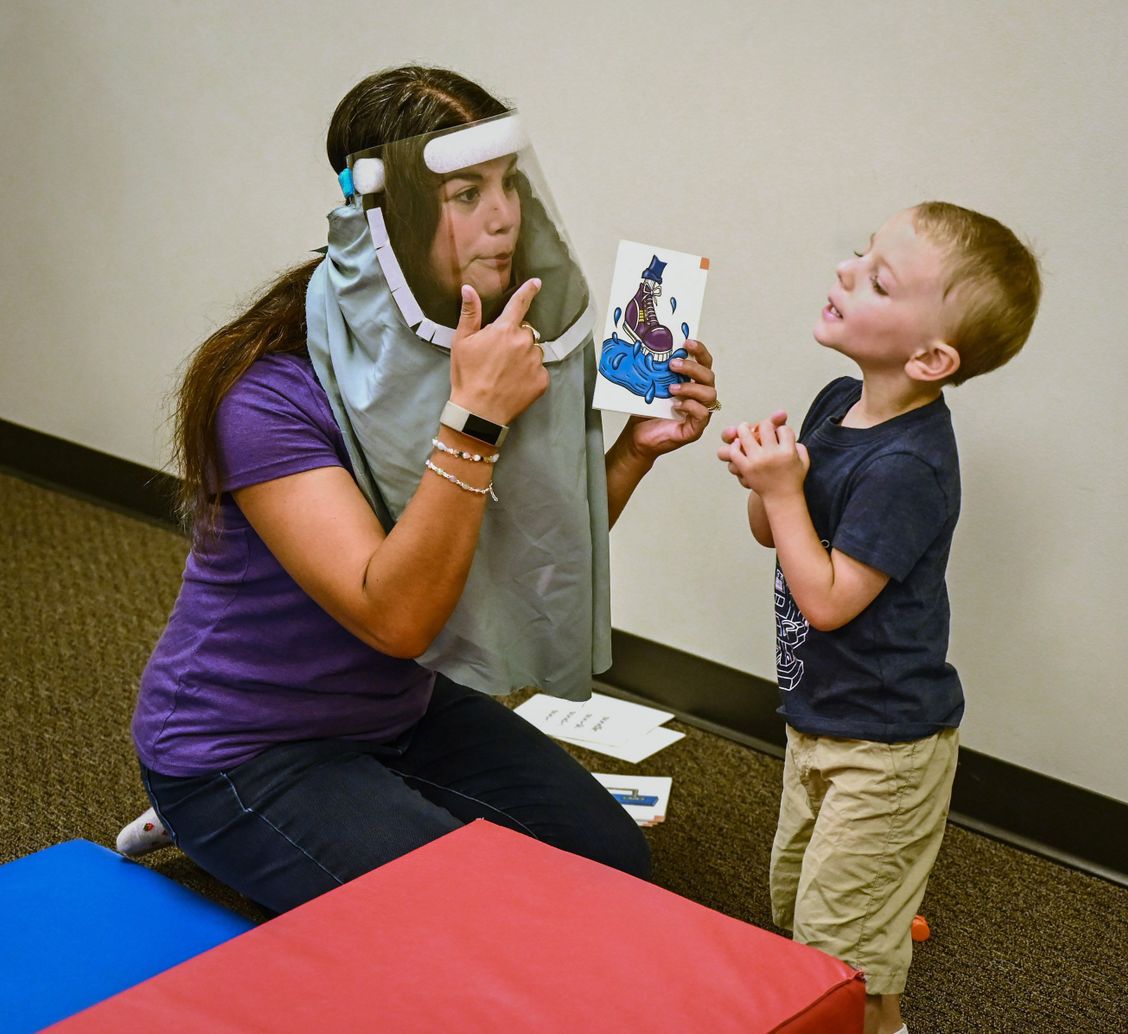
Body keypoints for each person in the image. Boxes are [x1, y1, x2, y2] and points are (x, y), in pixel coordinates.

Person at [121, 66, 719, 914]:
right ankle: (216, 825)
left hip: (398, 714)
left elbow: (525, 549)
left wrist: (633, 453)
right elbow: (395, 618)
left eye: (507, 184)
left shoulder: (477, 337)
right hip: (244, 747)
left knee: (609, 867)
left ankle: (354, 816)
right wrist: (474, 422)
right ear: (385, 210)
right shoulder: (265, 388)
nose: (505, 215)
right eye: (465, 192)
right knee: (467, 919)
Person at [717, 202, 1040, 1034]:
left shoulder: (910, 466)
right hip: (819, 717)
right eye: (858, 256)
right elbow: (780, 542)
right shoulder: (836, 402)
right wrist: (768, 483)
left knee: (841, 958)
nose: (844, 274)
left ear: (932, 356)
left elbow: (825, 602)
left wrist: (786, 490)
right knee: (799, 909)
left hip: (886, 746)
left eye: (877, 280)